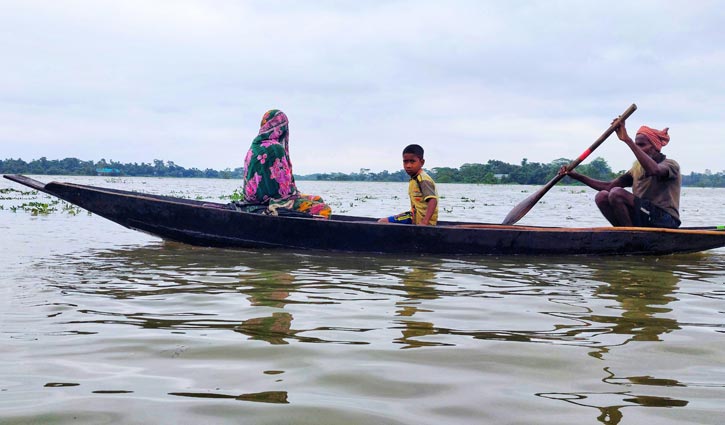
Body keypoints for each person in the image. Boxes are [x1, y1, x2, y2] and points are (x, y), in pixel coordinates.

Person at [559, 118, 681, 228]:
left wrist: (628, 141)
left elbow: (654, 170)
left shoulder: (670, 165)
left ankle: (629, 235)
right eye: (637, 144)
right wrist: (577, 176)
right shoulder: (636, 169)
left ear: (655, 147)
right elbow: (609, 186)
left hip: (666, 220)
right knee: (602, 196)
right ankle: (625, 232)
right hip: (644, 217)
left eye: (642, 145)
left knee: (617, 193)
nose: (638, 148)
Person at [238, 109, 332, 218]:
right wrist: (295, 196)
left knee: (317, 199)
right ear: (280, 127)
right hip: (275, 201)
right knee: (324, 209)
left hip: (252, 200)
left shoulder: (254, 147)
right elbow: (284, 189)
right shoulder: (275, 148)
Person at [378, 144, 439, 225]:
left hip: (422, 220)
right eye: (405, 162)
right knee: (383, 221)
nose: (408, 166)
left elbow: (433, 200)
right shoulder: (414, 178)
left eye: (412, 161)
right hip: (413, 216)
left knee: (382, 222)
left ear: (422, 162)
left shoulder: (423, 179)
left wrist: (425, 222)